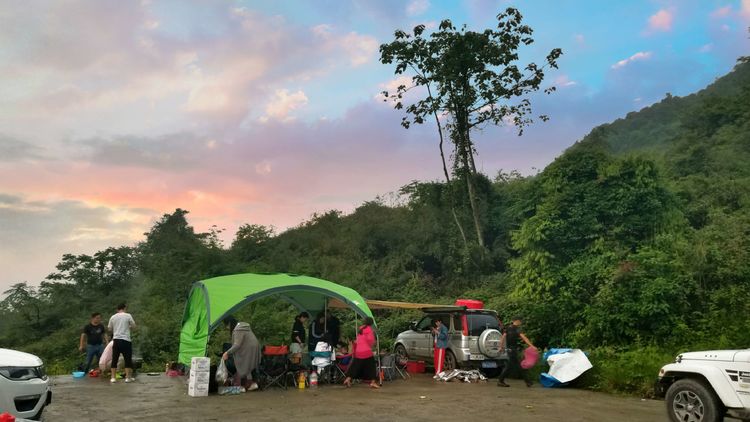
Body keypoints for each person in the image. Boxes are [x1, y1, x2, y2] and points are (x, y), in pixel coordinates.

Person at [497, 316, 536, 388]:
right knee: (517, 366)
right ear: (517, 321)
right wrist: (531, 346)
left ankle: (528, 381)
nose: (521, 323)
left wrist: (500, 347)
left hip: (509, 350)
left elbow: (503, 337)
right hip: (513, 350)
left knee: (513, 366)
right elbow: (524, 338)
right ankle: (528, 382)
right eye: (520, 321)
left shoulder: (508, 328)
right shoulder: (517, 329)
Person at [222, 320, 261, 391]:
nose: (227, 328)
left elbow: (237, 345)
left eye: (227, 326)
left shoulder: (238, 330)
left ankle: (243, 386)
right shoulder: (245, 327)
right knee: (248, 365)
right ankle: (253, 384)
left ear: (230, 324)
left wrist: (227, 352)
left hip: (247, 348)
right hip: (255, 347)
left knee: (241, 363)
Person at [343, 317, 379, 389]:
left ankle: (348, 379)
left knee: (355, 366)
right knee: (371, 367)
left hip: (358, 351)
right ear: (371, 323)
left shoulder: (360, 329)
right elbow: (371, 341)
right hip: (366, 352)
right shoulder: (369, 330)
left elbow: (357, 341)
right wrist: (372, 345)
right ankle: (373, 382)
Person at [108, 303, 136, 383]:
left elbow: (109, 329)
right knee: (127, 359)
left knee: (114, 358)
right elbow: (134, 326)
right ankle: (128, 378)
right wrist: (128, 327)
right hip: (126, 340)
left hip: (116, 340)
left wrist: (116, 328)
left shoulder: (113, 317)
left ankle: (113, 378)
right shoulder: (128, 315)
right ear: (125, 308)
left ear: (117, 309)